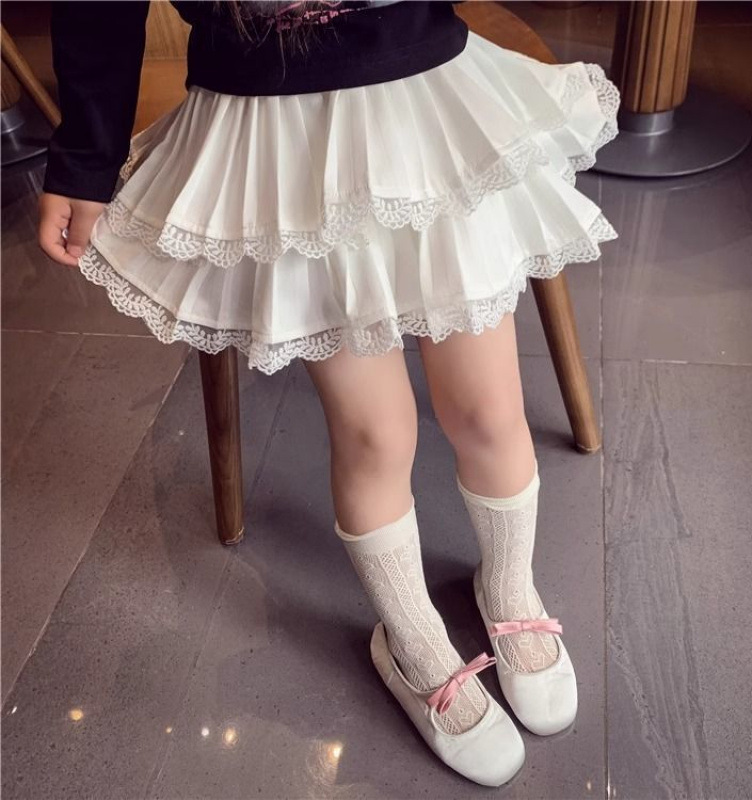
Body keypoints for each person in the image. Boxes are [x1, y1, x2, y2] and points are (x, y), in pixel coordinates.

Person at [37, 0, 619, 787]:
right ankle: (412, 642)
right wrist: (83, 157)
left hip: (423, 88)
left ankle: (508, 583)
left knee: (488, 409)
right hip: (271, 126)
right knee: (376, 432)